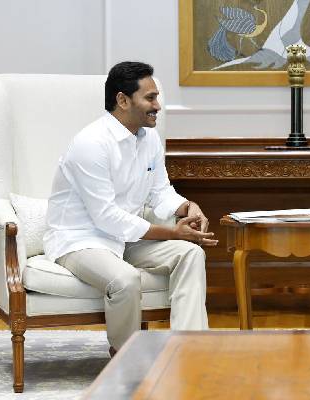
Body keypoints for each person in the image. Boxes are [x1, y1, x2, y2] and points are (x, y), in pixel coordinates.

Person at [43, 61, 218, 353]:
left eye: (157, 97)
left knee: (190, 253)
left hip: (126, 238)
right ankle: (125, 359)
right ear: (122, 100)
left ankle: (191, 350)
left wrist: (188, 207)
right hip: (80, 240)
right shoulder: (91, 144)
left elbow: (160, 192)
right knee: (125, 279)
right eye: (150, 98)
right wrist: (171, 233)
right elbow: (106, 217)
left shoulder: (149, 138)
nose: (158, 105)